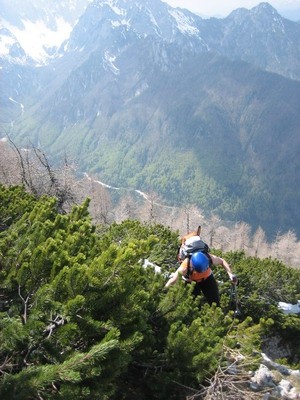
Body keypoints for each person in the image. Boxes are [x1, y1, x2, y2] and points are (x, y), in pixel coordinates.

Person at [165, 245, 237, 307]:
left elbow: (222, 261)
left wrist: (230, 274)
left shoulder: (208, 257)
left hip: (207, 279)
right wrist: (163, 290)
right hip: (191, 283)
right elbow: (173, 280)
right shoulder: (185, 267)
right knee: (194, 306)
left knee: (215, 302)